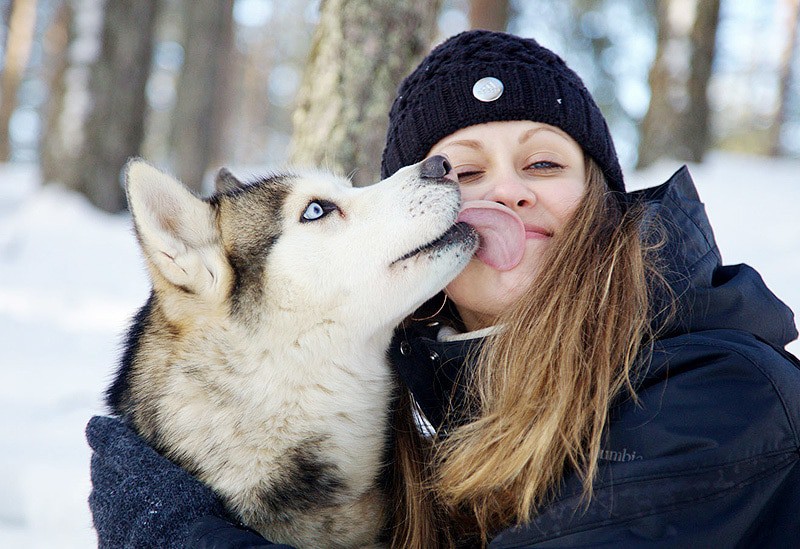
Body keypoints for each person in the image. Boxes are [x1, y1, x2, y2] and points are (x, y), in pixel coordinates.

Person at [86, 30, 800, 548]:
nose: (507, 193)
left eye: (544, 163)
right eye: (461, 170)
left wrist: (179, 537)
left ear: (601, 200)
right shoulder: (432, 421)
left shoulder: (712, 391)